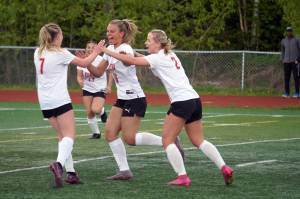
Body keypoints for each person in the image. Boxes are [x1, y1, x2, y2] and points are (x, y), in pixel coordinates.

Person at [98, 29, 234, 186]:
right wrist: (132, 53)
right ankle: (224, 167)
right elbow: (142, 59)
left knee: (167, 140)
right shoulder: (169, 54)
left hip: (181, 102)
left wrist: (106, 51)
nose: (146, 43)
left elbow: (134, 62)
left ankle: (182, 177)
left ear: (157, 43)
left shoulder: (157, 58)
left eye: (149, 40)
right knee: (199, 140)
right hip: (195, 100)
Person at [87, 19, 181, 180]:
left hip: (135, 98)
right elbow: (97, 72)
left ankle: (169, 142)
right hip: (122, 98)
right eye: (107, 31)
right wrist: (88, 60)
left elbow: (126, 60)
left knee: (130, 138)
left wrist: (106, 52)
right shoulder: (110, 48)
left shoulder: (125, 49)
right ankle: (124, 171)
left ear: (121, 34)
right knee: (110, 134)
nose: (108, 34)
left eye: (112, 31)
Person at [34, 23, 103, 188]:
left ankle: (71, 173)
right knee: (70, 136)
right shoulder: (61, 53)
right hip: (60, 99)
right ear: (56, 37)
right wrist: (96, 52)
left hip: (44, 101)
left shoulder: (38, 52)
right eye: (61, 35)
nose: (63, 37)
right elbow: (85, 62)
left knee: (62, 137)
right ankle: (58, 164)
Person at [77, 41, 113, 139]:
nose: (90, 49)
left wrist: (109, 86)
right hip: (87, 89)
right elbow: (79, 76)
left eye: (93, 47)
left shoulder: (101, 60)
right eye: (88, 47)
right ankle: (96, 133)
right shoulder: (81, 60)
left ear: (97, 49)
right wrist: (80, 82)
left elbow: (111, 72)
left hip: (99, 89)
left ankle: (102, 112)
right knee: (89, 112)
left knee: (96, 109)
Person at [280, 27, 300, 98]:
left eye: (290, 31)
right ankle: (286, 93)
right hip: (286, 62)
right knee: (286, 78)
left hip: (295, 62)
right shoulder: (283, 41)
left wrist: (298, 59)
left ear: (292, 32)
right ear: (286, 32)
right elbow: (282, 51)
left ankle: (297, 93)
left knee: (296, 78)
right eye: (287, 31)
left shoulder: (297, 40)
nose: (289, 32)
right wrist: (282, 59)